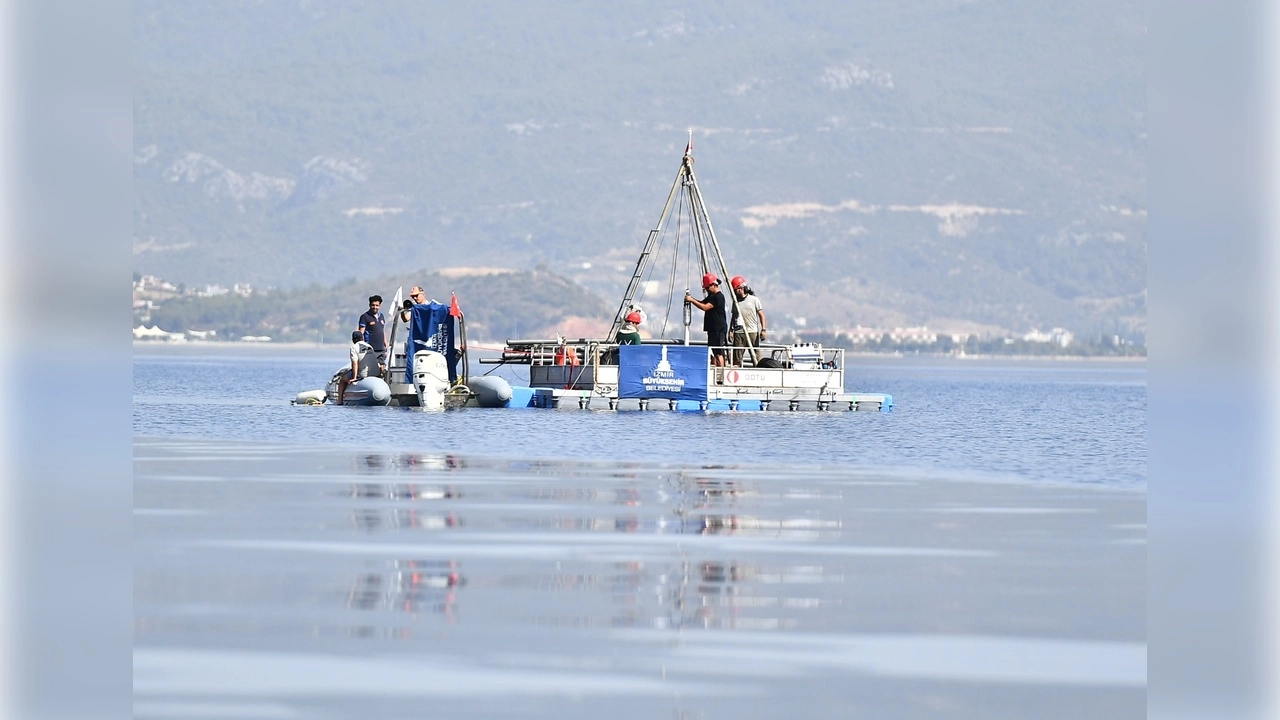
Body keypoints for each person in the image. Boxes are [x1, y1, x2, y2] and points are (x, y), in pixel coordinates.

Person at [684, 273, 728, 368]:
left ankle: (721, 373)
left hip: (718, 329)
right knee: (713, 351)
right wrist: (691, 299)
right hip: (712, 328)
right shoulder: (711, 296)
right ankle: (715, 370)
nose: (707, 290)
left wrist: (691, 300)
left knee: (718, 352)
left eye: (708, 287)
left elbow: (705, 307)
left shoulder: (718, 297)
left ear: (713, 285)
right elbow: (702, 303)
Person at [729, 276, 767, 366]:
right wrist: (731, 330)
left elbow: (761, 315)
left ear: (741, 288)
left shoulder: (754, 300)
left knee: (756, 357)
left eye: (736, 289)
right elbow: (734, 316)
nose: (735, 292)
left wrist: (763, 329)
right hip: (739, 332)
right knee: (737, 358)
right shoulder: (735, 302)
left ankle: (758, 371)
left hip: (752, 332)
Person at [338, 331, 379, 404]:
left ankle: (340, 400)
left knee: (342, 379)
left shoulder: (354, 347)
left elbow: (354, 362)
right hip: (375, 373)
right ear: (362, 338)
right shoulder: (369, 346)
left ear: (353, 339)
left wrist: (354, 377)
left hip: (363, 375)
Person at [358, 295, 388, 372]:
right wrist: (361, 346)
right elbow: (361, 332)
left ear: (380, 306)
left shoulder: (381, 316)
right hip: (370, 348)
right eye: (373, 305)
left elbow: (382, 330)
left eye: (377, 305)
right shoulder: (365, 317)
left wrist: (386, 344)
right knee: (372, 368)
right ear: (370, 305)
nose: (375, 307)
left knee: (382, 367)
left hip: (381, 348)